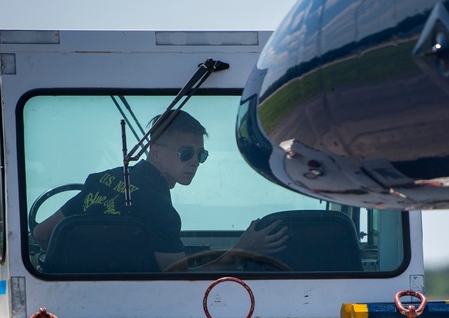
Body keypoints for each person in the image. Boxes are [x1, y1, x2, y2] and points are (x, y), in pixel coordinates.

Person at [33, 110, 287, 271]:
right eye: (186, 153)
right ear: (155, 153)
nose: (195, 162)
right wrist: (241, 251)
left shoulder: (100, 180)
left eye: (201, 154)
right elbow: (180, 282)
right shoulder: (159, 208)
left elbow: (42, 233)